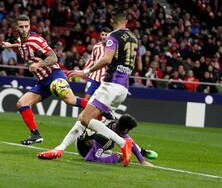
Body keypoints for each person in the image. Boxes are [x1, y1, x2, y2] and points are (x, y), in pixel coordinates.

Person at [37, 8, 143, 167]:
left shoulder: (113, 36)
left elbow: (106, 59)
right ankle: (60, 148)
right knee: (85, 118)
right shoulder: (135, 38)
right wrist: (124, 69)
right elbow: (139, 67)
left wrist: (85, 72)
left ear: (112, 21)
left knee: (85, 119)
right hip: (123, 88)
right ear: (126, 21)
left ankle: (122, 142)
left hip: (110, 85)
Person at [1, 14, 88, 145]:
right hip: (42, 82)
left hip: (54, 75)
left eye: (26, 26)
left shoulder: (37, 40)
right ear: (16, 28)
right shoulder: (20, 40)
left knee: (70, 100)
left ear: (30, 26)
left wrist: (38, 64)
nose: (24, 29)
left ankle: (101, 108)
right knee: (22, 103)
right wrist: (10, 45)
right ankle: (35, 134)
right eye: (21, 27)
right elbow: (21, 45)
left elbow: (53, 57)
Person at [75, 114, 157, 165]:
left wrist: (142, 161)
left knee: (111, 147)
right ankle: (111, 156)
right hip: (84, 149)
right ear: (126, 130)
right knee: (111, 147)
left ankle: (107, 154)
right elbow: (90, 159)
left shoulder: (114, 126)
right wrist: (115, 158)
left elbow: (130, 143)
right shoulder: (105, 135)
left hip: (90, 143)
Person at [83, 27, 111, 100]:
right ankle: (83, 112)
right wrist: (83, 71)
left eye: (106, 35)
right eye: (103, 34)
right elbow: (92, 60)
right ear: (100, 35)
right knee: (86, 98)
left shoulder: (112, 48)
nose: (104, 36)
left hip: (105, 79)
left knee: (101, 101)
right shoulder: (96, 47)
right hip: (93, 77)